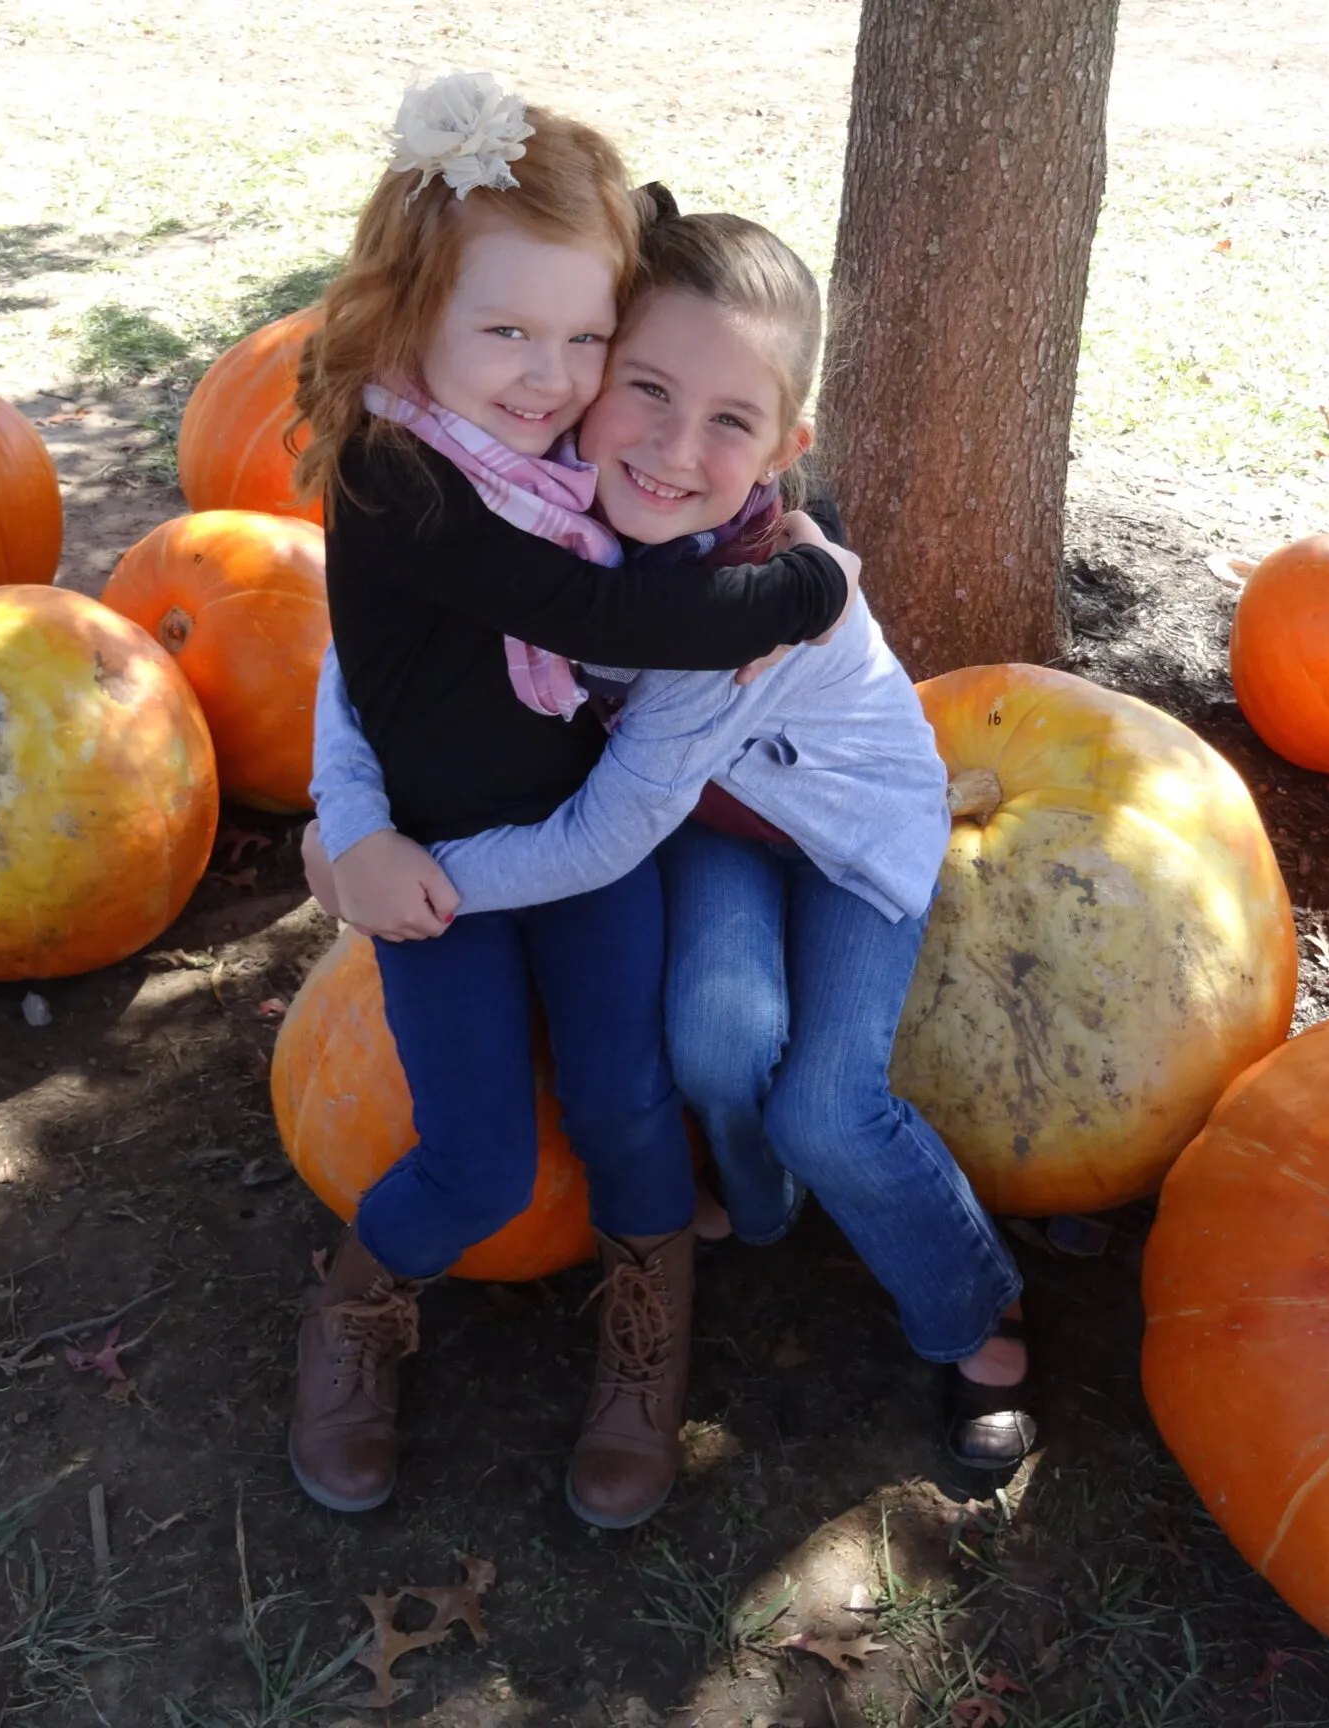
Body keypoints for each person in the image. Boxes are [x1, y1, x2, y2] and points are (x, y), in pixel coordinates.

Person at [306, 195, 1037, 1475]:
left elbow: (597, 836)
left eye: (729, 424)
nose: (670, 448)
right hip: (705, 823)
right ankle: (747, 1222)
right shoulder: (532, 506)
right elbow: (377, 651)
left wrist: (409, 885)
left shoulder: (731, 616)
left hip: (841, 836)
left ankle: (970, 1319)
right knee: (711, 1035)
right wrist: (350, 827)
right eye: (641, 385)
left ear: (784, 445)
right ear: (593, 370)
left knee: (823, 1103)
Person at [284, 73, 862, 1527]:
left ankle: (646, 1323)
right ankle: (358, 1300)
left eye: (585, 337)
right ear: (415, 311)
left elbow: (668, 582)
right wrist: (810, 580)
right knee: (475, 1160)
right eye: (507, 333)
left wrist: (798, 531)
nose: (550, 377)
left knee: (625, 1095)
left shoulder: (558, 462)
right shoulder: (403, 479)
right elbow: (388, 665)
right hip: (444, 871)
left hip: (590, 850)